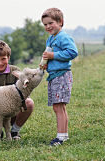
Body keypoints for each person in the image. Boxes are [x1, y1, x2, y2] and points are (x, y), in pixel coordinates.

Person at [40, 8, 78, 146]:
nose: (48, 27)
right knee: (59, 107)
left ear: (60, 22)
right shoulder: (50, 39)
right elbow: (51, 57)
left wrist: (53, 56)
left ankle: (60, 137)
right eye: (45, 24)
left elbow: (73, 52)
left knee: (58, 107)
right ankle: (64, 135)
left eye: (51, 23)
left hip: (62, 75)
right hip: (54, 75)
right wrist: (46, 64)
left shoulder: (63, 37)